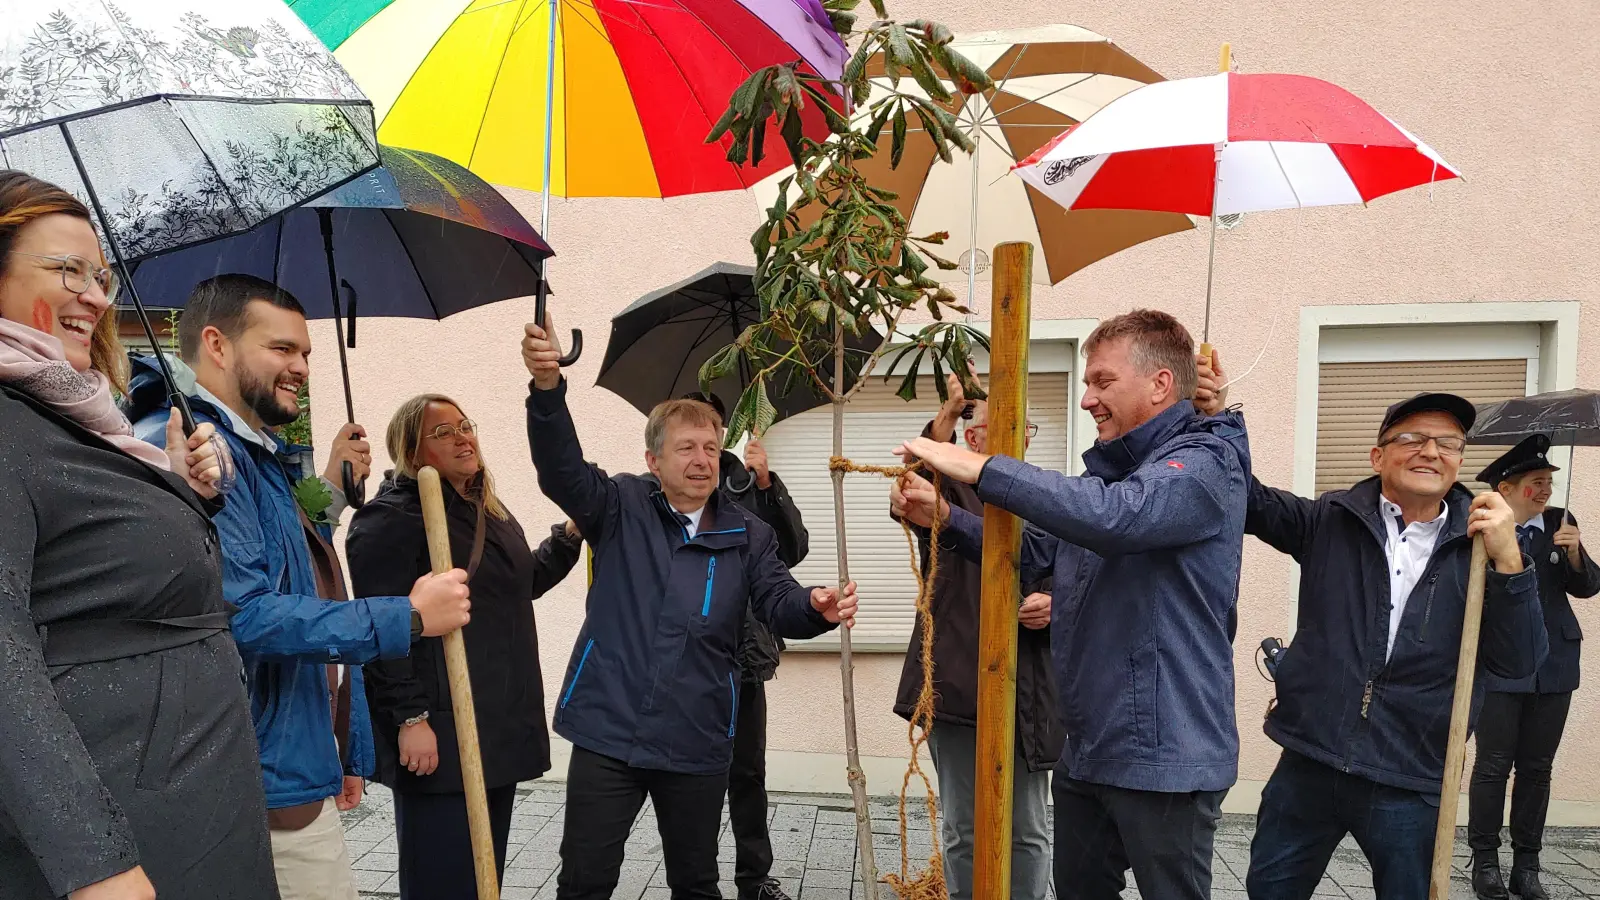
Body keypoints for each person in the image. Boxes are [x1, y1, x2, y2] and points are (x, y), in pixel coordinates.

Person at [127, 274, 472, 900]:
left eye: (307, 353)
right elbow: (245, 616)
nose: (302, 367)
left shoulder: (254, 452)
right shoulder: (201, 451)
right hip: (257, 778)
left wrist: (330, 492)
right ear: (217, 344)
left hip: (293, 763)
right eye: (282, 349)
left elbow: (292, 571)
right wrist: (409, 616)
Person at [891, 310, 1250, 900]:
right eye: (1088, 384)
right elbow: (1038, 550)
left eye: (1102, 382)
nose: (1086, 400)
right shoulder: (1115, 475)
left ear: (1160, 384)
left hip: (1166, 755)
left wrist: (985, 470)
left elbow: (1118, 519)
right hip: (1088, 749)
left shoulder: (1205, 466)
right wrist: (949, 519)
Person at [0, 170, 275, 899]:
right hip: (128, 828)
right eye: (66, 271)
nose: (96, 295)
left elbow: (101, 573)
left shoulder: (83, 417)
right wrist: (94, 863)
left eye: (101, 275)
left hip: (190, 801)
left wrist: (183, 493)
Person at [521, 315, 857, 900]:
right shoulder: (619, 504)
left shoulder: (747, 533)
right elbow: (561, 471)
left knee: (696, 883)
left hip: (697, 737)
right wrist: (548, 390)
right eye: (686, 448)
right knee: (584, 879)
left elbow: (778, 602)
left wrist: (814, 606)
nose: (702, 459)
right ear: (654, 461)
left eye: (711, 446)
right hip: (609, 729)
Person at [1191, 352, 1548, 900]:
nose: (1430, 450)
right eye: (1412, 438)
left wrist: (1510, 561)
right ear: (1378, 455)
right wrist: (1214, 418)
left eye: (1448, 443)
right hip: (1310, 760)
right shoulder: (1329, 521)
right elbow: (1247, 498)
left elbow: (1521, 662)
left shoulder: (1484, 549)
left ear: (1460, 462)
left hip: (1412, 776)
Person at [347, 394, 583, 899]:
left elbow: (522, 582)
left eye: (465, 425)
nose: (462, 437)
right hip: (440, 727)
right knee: (441, 878)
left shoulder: (486, 510)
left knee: (483, 873)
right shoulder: (390, 519)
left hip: (498, 719)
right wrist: (410, 719)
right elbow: (380, 629)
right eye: (442, 432)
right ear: (411, 449)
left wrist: (567, 538)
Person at [892, 366, 1061, 900]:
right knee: (964, 829)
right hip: (958, 686)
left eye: (1024, 426)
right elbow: (914, 485)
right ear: (972, 437)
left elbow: (1081, 573)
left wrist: (1057, 603)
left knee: (1029, 830)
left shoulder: (1050, 499)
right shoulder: (952, 495)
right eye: (1004, 425)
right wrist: (942, 416)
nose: (1018, 436)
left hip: (1029, 691)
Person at [681, 392, 809, 900]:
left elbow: (793, 549)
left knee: (747, 773)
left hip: (744, 658)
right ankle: (697, 878)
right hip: (687, 662)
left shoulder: (743, 479)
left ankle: (754, 878)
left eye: (711, 427)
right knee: (693, 778)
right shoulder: (662, 488)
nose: (701, 448)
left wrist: (765, 483)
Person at [1467, 435, 1600, 900]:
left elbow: (1587, 587)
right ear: (1507, 488)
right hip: (1501, 665)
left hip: (1555, 665)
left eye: (1548, 482)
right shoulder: (1482, 528)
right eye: (1536, 483)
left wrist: (1575, 552)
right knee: (1492, 766)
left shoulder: (1559, 523)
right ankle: (1484, 862)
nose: (1545, 491)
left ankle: (1528, 865)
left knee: (1538, 769)